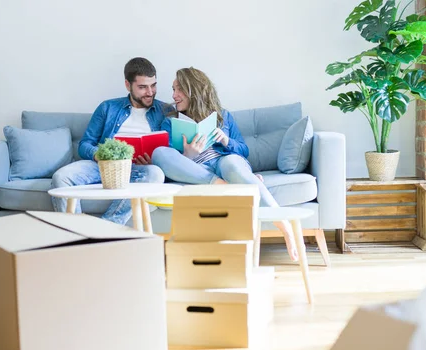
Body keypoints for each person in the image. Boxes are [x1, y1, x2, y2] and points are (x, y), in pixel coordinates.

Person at [151, 67, 299, 260]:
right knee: (159, 152)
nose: (174, 95)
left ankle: (284, 225)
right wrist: (188, 154)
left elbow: (243, 150)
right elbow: (172, 162)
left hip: (223, 163)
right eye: (173, 89)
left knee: (230, 163)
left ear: (193, 90)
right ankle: (229, 185)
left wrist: (226, 141)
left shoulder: (223, 116)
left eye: (179, 89)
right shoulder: (170, 122)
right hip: (197, 170)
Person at [51, 57, 169, 224]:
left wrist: (154, 159)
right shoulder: (108, 107)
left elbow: (171, 150)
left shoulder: (165, 110)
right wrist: (99, 155)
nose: (150, 92)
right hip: (103, 165)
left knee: (156, 173)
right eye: (142, 87)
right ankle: (76, 233)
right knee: (61, 176)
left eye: (153, 85)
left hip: (139, 170)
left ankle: (106, 229)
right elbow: (84, 144)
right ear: (128, 85)